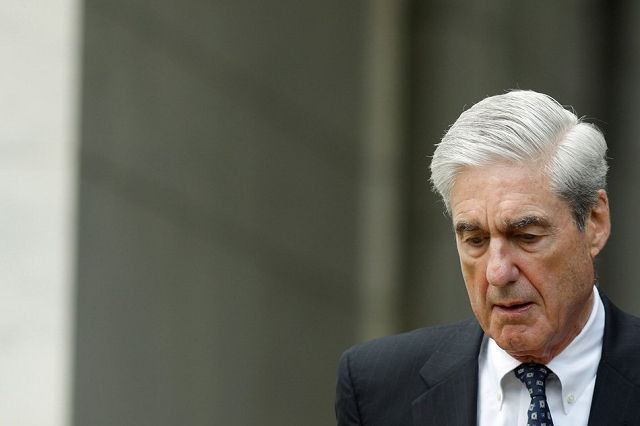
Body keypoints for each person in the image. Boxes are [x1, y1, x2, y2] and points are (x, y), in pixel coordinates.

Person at [335, 90, 640, 426]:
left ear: (595, 223)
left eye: (527, 237)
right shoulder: (376, 386)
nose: (497, 272)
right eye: (475, 240)